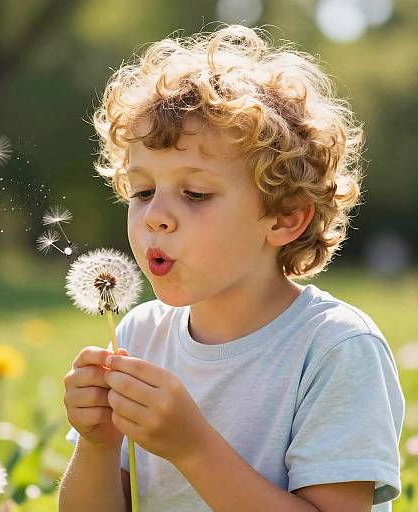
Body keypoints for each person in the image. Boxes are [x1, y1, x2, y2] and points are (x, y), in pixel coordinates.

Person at [59, 23, 405, 512]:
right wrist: (98, 444)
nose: (155, 214)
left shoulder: (335, 349)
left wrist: (192, 447)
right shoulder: (138, 338)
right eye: (141, 192)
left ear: (285, 217)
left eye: (195, 194)